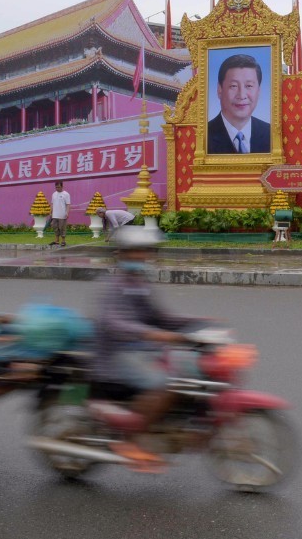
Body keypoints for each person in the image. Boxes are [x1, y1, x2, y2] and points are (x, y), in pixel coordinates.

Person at [92, 226, 199, 469]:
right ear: (122, 254)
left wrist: (199, 323)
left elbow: (162, 317)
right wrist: (151, 333)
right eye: (136, 252)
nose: (142, 257)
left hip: (141, 350)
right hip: (117, 354)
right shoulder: (114, 285)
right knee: (163, 384)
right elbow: (113, 322)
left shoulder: (140, 283)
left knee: (188, 373)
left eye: (145, 252)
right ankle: (130, 441)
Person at [207, 53, 270, 154]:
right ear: (219, 89)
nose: (241, 95)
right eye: (233, 86)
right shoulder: (203, 136)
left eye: (249, 86)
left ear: (259, 90)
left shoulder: (271, 133)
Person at [49, 180, 72, 247]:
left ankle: (63, 241)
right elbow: (52, 203)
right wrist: (51, 212)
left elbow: (68, 204)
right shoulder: (54, 194)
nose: (57, 188)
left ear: (62, 186)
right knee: (55, 227)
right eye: (56, 187)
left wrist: (67, 213)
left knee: (62, 228)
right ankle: (56, 240)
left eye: (58, 187)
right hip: (55, 214)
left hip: (62, 214)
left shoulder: (66, 194)